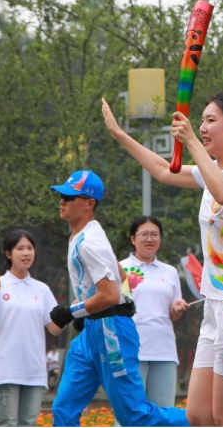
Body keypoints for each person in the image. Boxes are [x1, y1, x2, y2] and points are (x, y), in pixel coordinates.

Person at [102, 92, 223, 426]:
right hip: (216, 305)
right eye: (202, 121)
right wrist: (121, 136)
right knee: (198, 414)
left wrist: (192, 141)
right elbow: (164, 171)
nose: (203, 127)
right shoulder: (212, 174)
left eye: (211, 120)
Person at [48, 170, 188, 427]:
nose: (62, 201)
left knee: (134, 416)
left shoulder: (90, 242)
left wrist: (72, 312)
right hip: (92, 331)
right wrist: (92, 311)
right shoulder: (84, 233)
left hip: (111, 333)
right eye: (61, 195)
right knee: (64, 408)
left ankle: (207, 419)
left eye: (70, 196)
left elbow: (110, 294)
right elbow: (120, 273)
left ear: (89, 203)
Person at [0, 230, 61, 427]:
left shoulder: (41, 289)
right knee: (6, 422)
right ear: (8, 254)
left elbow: (54, 328)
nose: (26, 253)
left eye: (30, 248)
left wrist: (75, 311)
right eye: (20, 248)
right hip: (6, 368)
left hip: (34, 369)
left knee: (28, 423)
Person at [119, 216, 189, 408]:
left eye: (154, 235)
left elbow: (173, 315)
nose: (149, 239)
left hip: (164, 350)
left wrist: (177, 309)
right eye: (144, 235)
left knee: (162, 413)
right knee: (130, 412)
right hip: (130, 350)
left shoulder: (170, 272)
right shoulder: (121, 269)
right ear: (133, 239)